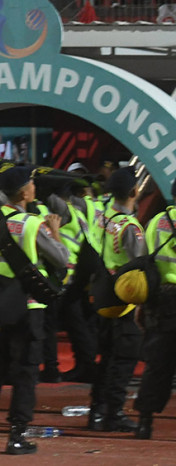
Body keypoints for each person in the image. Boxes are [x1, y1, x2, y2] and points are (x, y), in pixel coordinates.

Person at [0, 166, 68, 455]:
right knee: (25, 371)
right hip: (27, 305)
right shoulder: (33, 223)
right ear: (24, 192)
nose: (35, 186)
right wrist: (56, 231)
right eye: (32, 183)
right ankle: (17, 435)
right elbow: (60, 258)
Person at [88, 167, 145, 432]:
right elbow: (139, 263)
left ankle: (97, 412)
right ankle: (114, 413)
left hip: (102, 294)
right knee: (123, 360)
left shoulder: (104, 217)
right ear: (134, 192)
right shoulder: (131, 227)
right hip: (124, 301)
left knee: (107, 357)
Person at [132, 179, 176, 440]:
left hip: (160, 300)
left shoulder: (155, 223)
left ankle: (144, 423)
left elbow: (143, 260)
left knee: (157, 365)